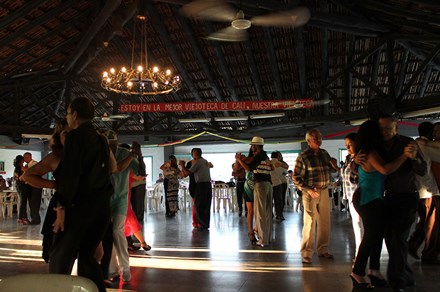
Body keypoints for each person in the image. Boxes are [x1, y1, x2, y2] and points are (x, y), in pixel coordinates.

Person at [48, 97, 114, 292]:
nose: (67, 117)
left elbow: (70, 175)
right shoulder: (101, 139)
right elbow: (110, 169)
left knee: (61, 257)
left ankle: (57, 289)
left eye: (68, 113)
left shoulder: (75, 138)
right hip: (101, 208)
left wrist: (60, 208)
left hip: (81, 208)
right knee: (87, 257)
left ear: (75, 115)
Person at [350, 120, 410, 288]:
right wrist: (404, 156)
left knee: (376, 234)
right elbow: (385, 170)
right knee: (370, 235)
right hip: (367, 198)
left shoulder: (366, 152)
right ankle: (357, 272)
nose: (383, 132)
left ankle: (373, 269)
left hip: (371, 197)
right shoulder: (369, 152)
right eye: (380, 130)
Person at [378, 115, 426, 291]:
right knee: (391, 240)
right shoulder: (378, 144)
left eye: (387, 129)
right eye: (381, 128)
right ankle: (407, 275)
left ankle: (396, 282)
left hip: (406, 197)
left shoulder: (408, 143)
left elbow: (422, 170)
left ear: (396, 129)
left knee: (398, 238)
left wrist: (413, 158)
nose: (384, 132)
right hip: (387, 197)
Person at [292, 129, 338, 264]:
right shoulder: (303, 156)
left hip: (324, 190)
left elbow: (329, 170)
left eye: (320, 137)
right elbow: (295, 177)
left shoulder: (324, 153)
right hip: (310, 192)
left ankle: (323, 249)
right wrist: (308, 190)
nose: (319, 139)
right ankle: (306, 252)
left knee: (325, 221)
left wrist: (334, 166)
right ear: (308, 141)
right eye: (315, 138)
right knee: (310, 222)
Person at [106, 131, 140, 283]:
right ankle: (113, 270)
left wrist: (138, 155)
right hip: (105, 200)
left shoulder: (124, 152)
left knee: (116, 231)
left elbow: (141, 170)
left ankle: (125, 269)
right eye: (109, 145)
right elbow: (116, 168)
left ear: (117, 143)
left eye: (114, 144)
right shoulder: (102, 153)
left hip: (120, 199)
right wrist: (131, 156)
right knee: (107, 235)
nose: (112, 148)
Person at [408, 122, 440, 264]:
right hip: (430, 190)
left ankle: (413, 244)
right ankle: (428, 255)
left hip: (419, 191)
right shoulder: (424, 145)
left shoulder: (415, 144)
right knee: (432, 225)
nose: (435, 134)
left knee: (425, 222)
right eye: (434, 131)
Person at [235, 137, 272, 247]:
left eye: (253, 145)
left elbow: (248, 168)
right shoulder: (264, 156)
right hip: (265, 184)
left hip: (260, 184)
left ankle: (262, 239)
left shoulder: (259, 156)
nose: (251, 147)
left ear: (257, 146)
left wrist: (240, 160)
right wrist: (240, 160)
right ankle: (263, 236)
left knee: (260, 213)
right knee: (264, 212)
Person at [340, 133, 363, 260]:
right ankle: (360, 251)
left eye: (351, 144)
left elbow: (356, 178)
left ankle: (361, 253)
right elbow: (345, 176)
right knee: (356, 223)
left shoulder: (360, 158)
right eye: (346, 145)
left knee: (360, 224)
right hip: (350, 195)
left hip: (359, 194)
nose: (348, 147)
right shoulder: (349, 158)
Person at [179, 148, 212, 231]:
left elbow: (187, 173)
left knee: (199, 205)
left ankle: (201, 224)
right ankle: (204, 224)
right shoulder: (204, 161)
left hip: (201, 185)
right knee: (205, 205)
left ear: (194, 154)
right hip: (207, 184)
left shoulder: (198, 162)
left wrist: (182, 165)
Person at [23, 152, 43, 225]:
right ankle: (34, 219)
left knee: (35, 203)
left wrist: (21, 167)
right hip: (30, 186)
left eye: (25, 157)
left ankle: (36, 220)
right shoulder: (26, 165)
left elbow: (30, 172)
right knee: (31, 203)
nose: (24, 159)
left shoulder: (35, 163)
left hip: (36, 186)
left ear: (29, 157)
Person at [270, 151, 288, 221]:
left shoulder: (268, 163)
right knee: (279, 200)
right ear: (278, 156)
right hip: (278, 183)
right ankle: (279, 215)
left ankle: (270, 214)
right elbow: (285, 172)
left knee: (269, 200)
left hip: (269, 184)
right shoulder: (281, 164)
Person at [13, 155, 30, 224]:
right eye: (23, 159)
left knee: (23, 202)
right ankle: (21, 218)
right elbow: (21, 177)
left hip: (18, 186)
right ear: (21, 161)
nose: (24, 160)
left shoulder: (16, 168)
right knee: (23, 202)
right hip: (22, 186)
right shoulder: (21, 168)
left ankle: (24, 217)